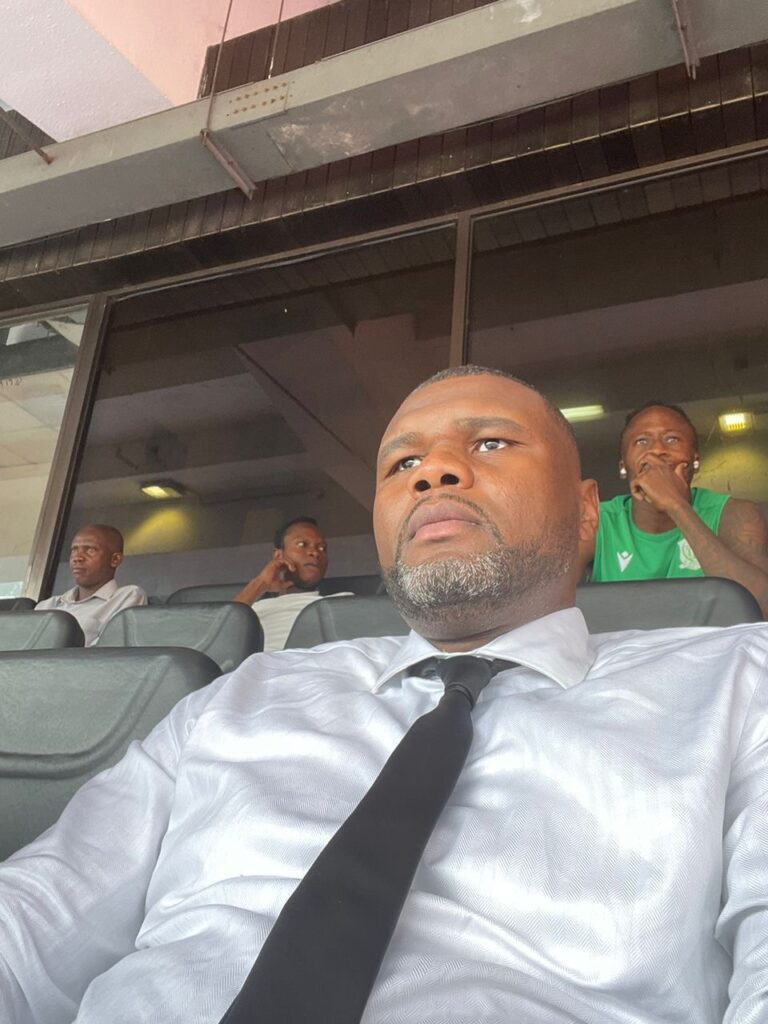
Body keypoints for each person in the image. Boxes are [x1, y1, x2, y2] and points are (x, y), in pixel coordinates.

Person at [1, 367, 768, 1022]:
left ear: (585, 509)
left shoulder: (737, 684)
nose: (433, 472)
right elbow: (37, 915)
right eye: (402, 463)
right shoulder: (246, 694)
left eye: (489, 444)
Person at [585, 400, 768, 615]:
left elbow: (762, 607)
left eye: (672, 439)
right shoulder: (596, 520)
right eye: (642, 441)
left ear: (695, 461)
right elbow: (553, 606)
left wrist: (676, 505)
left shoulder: (734, 513)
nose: (657, 450)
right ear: (623, 466)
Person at [233, 516, 338, 651]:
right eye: (302, 545)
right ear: (278, 556)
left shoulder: (340, 604)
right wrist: (261, 583)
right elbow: (217, 637)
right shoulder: (250, 610)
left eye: (322, 548)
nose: (315, 553)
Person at [35, 524, 147, 645]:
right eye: (74, 550)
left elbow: (110, 649)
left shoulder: (127, 597)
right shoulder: (46, 606)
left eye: (90, 550)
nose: (77, 557)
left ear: (115, 560)